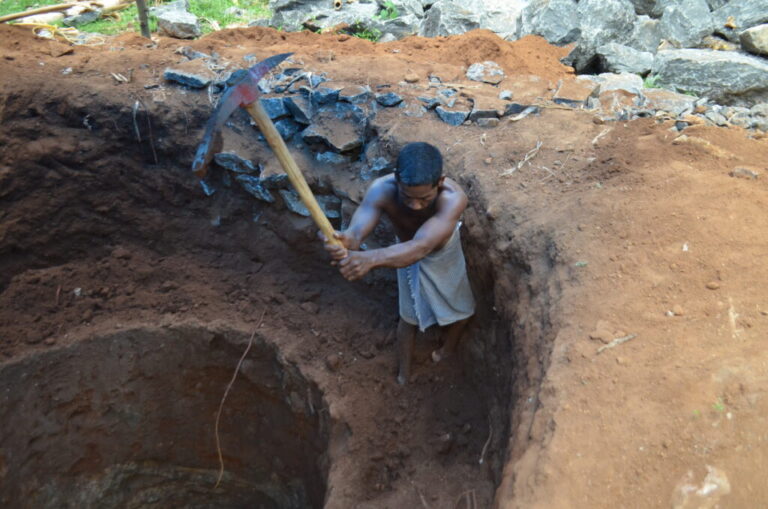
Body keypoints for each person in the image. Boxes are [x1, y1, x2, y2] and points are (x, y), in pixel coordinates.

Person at [323, 142, 475, 384]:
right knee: (408, 318)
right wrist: (347, 240)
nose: (415, 205)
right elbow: (357, 231)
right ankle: (404, 373)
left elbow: (421, 246)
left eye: (424, 199)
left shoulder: (453, 198)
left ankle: (447, 349)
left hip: (441, 252)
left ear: (440, 181)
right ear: (396, 179)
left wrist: (369, 259)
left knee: (463, 310)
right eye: (407, 197)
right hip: (398, 252)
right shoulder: (381, 189)